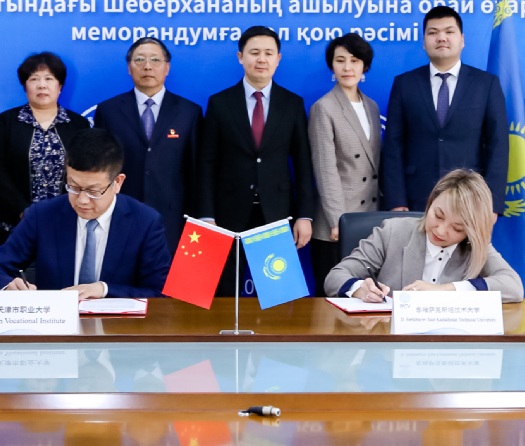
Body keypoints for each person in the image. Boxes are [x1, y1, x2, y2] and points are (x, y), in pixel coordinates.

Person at [0, 129, 170, 297]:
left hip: (118, 325)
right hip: (56, 323)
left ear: (118, 182)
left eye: (94, 191)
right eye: (73, 187)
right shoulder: (42, 215)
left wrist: (104, 290)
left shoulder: (145, 222)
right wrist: (7, 286)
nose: (82, 200)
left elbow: (159, 292)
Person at [196, 26, 315, 296]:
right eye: (254, 52)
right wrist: (206, 215)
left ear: (278, 59)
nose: (261, 59)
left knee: (277, 293)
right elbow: (206, 163)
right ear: (241, 57)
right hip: (227, 213)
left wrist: (304, 215)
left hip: (277, 212)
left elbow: (303, 163)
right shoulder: (220, 103)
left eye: (268, 53)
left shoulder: (292, 103)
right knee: (224, 293)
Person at [325, 169, 524, 302]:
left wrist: (445, 290)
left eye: (457, 229)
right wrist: (359, 288)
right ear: (431, 202)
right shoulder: (392, 231)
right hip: (390, 339)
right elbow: (335, 276)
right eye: (438, 216)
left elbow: (513, 287)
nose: (441, 231)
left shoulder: (475, 246)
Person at [382, 6, 508, 213]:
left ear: (462, 39)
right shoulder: (404, 84)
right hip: (416, 198)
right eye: (433, 32)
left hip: (470, 199)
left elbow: (498, 146)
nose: (441, 38)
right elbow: (393, 147)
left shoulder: (486, 84)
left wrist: (491, 205)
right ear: (424, 42)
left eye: (449, 31)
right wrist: (396, 200)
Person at [94, 36, 202, 253]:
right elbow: (100, 168)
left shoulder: (189, 112)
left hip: (173, 218)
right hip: (121, 213)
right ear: (129, 67)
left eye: (155, 60)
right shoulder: (108, 111)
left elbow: (196, 170)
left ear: (167, 67)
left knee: (166, 274)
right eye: (139, 60)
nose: (147, 66)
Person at [0, 52, 90, 244]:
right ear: (25, 86)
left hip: (67, 220)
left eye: (49, 79)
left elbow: (87, 170)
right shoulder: (7, 122)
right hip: (16, 223)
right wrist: (22, 209)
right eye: (34, 79)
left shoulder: (78, 125)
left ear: (60, 86)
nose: (42, 85)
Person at [308, 33, 383, 297]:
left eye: (354, 60)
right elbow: (325, 169)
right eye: (340, 60)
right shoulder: (324, 107)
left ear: (365, 66)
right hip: (336, 225)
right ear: (332, 66)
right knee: (332, 296)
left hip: (370, 221)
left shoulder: (372, 107)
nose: (347, 67)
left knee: (367, 298)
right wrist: (337, 220)